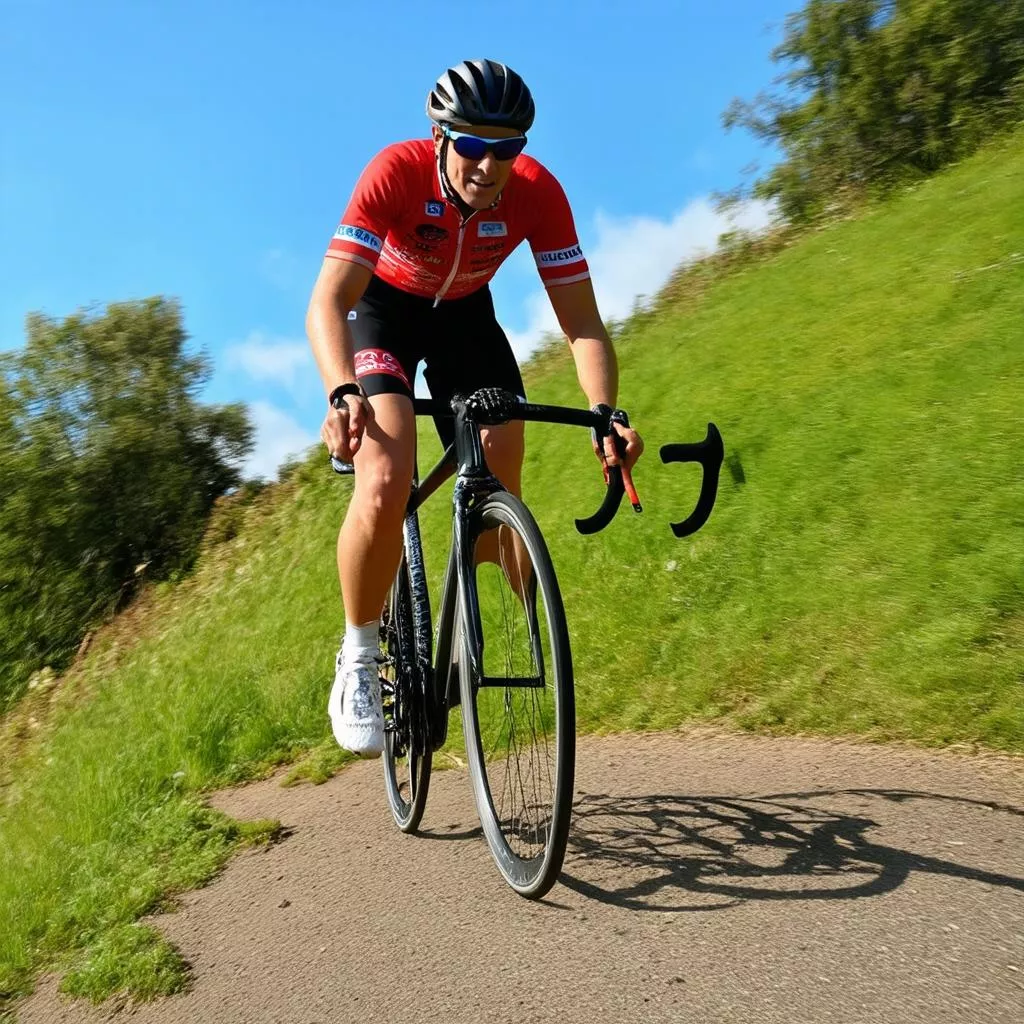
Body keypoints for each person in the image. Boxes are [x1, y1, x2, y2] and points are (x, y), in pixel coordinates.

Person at [306, 59, 643, 757]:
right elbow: (328, 303)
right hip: (383, 314)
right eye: (472, 146)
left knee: (501, 456)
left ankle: (495, 604)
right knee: (386, 469)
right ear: (439, 137)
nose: (489, 166)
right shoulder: (394, 174)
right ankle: (360, 657)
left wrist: (607, 410)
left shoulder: (536, 193)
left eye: (507, 148)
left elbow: (582, 323)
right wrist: (342, 390)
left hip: (465, 318)